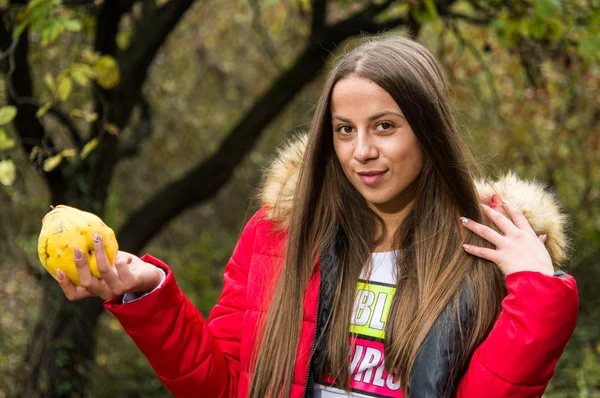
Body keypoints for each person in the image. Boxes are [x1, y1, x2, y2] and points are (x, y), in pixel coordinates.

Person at [55, 34, 578, 398]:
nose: (361, 151)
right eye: (344, 129)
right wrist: (147, 294)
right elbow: (224, 386)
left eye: (385, 126)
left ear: (429, 130)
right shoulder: (277, 233)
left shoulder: (486, 248)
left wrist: (537, 291)